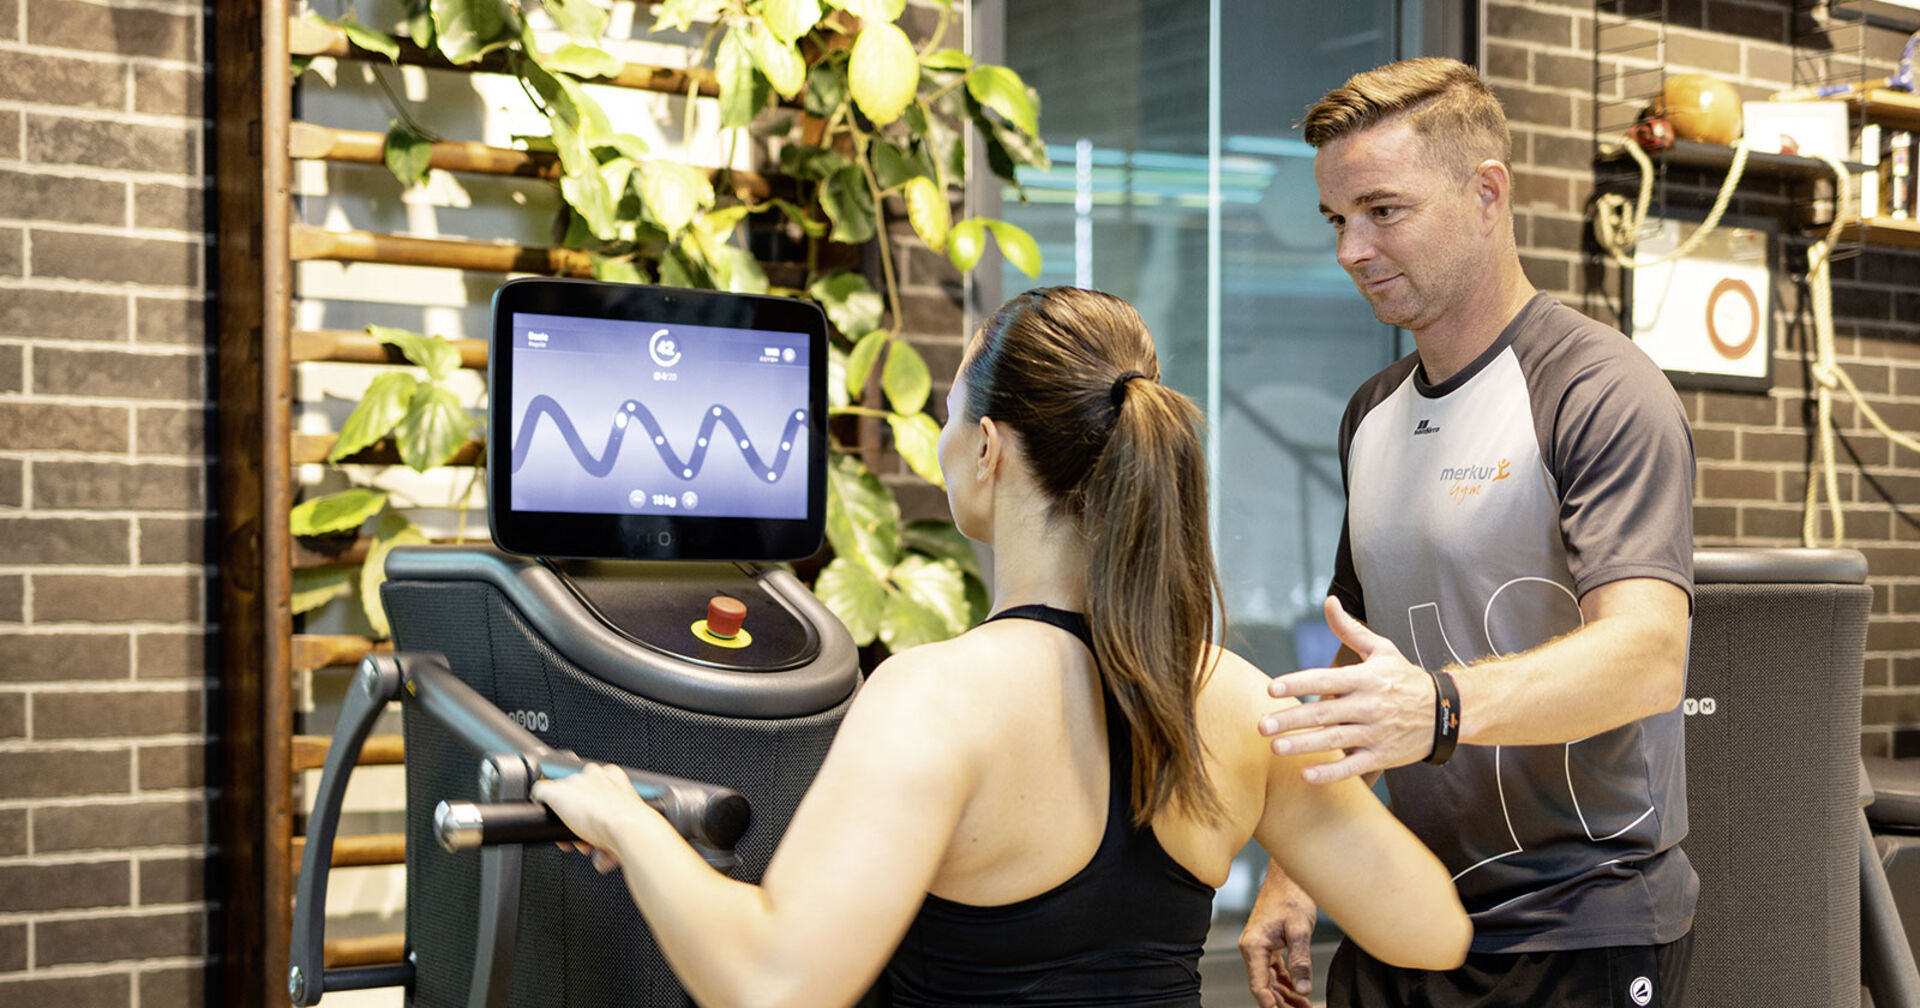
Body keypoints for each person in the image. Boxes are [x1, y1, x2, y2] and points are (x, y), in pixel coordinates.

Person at [535, 286, 1469, 1008]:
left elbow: (775, 985)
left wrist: (625, 822)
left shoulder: (935, 697)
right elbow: (1431, 930)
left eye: (945, 420)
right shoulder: (1233, 698)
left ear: (987, 448)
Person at [1237, 57, 1698, 1008]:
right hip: (1406, 903)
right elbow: (1367, 663)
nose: (1350, 250)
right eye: (1337, 220)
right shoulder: (1371, 412)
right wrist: (1302, 866)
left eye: (1382, 211)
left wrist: (1439, 709)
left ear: (1487, 193)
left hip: (1581, 918)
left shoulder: (1596, 390)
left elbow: (1650, 655)